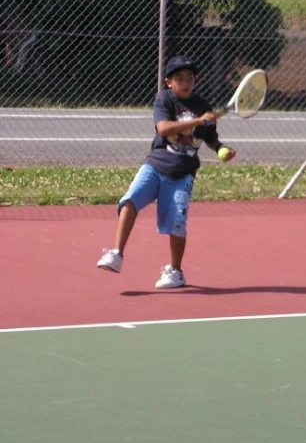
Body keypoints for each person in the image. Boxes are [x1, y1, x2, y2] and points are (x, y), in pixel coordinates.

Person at [96, 56, 236, 288]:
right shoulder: (164, 99)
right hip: (155, 164)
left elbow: (211, 138)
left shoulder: (203, 106)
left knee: (177, 222)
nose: (185, 82)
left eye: (189, 78)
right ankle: (116, 254)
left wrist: (222, 149)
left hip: (183, 173)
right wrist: (199, 121)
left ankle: (175, 272)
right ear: (169, 82)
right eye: (179, 78)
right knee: (130, 201)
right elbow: (163, 128)